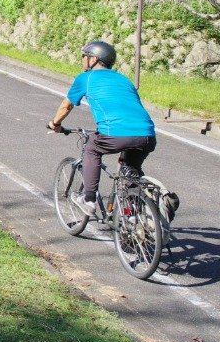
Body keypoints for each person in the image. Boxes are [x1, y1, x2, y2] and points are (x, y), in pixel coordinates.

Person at [48, 40, 156, 216]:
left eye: (85, 56)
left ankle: (89, 199)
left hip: (115, 134)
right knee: (130, 173)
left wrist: (55, 124)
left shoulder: (85, 78)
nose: (83, 59)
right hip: (147, 135)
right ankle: (134, 217)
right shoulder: (124, 79)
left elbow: (66, 106)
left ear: (94, 59)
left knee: (91, 149)